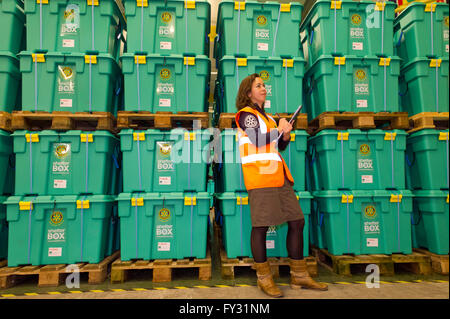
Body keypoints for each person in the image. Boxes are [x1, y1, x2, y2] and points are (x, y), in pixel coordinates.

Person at [234, 73, 328, 298]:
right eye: (258, 85)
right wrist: (280, 129)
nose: (264, 88)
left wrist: (285, 134)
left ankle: (299, 274)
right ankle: (264, 279)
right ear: (248, 93)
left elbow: (277, 145)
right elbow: (257, 139)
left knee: (297, 221)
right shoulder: (246, 115)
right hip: (260, 178)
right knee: (261, 226)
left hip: (279, 177)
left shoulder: (267, 117)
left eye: (264, 85)